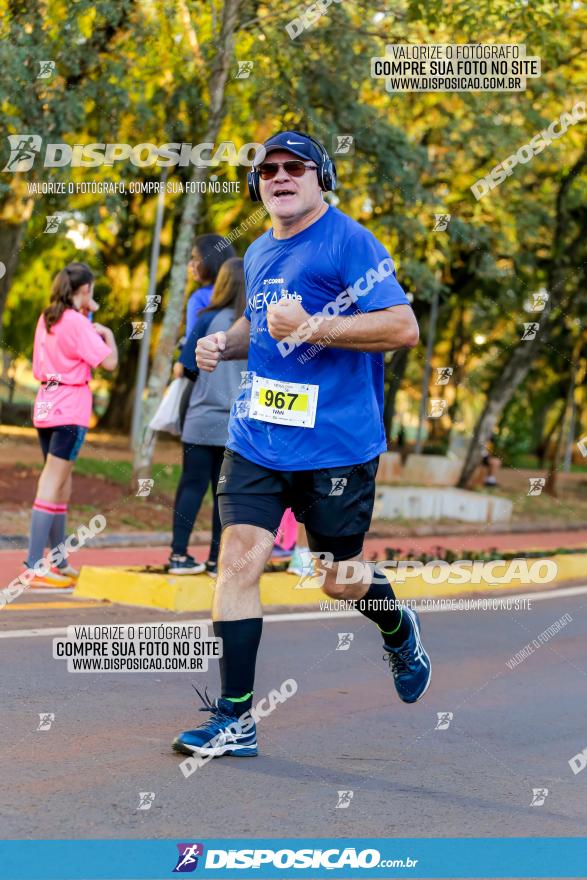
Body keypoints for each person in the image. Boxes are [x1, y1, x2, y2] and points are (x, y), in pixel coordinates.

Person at [173, 131, 430, 760]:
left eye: (295, 167)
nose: (279, 177)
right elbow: (258, 323)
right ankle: (235, 719)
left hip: (337, 447)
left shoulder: (350, 242)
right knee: (238, 559)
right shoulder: (258, 250)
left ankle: (398, 628)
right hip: (257, 437)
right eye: (267, 170)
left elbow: (403, 327)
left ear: (322, 177)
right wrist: (223, 345)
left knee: (339, 581)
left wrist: (314, 326)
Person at [24, 262, 118, 587]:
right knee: (53, 483)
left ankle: (59, 560)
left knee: (62, 485)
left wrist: (88, 312)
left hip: (47, 405)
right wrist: (108, 335)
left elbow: (40, 364)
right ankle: (36, 564)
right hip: (70, 408)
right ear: (85, 290)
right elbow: (109, 361)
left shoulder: (48, 318)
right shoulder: (78, 323)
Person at [168, 258, 247, 576]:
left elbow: (187, 368)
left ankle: (178, 555)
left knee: (190, 486)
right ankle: (218, 561)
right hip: (237, 425)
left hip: (200, 419)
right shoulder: (256, 325)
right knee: (224, 494)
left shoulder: (206, 318)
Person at [184, 234, 236, 340]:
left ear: (211, 259)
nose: (190, 264)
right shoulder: (244, 290)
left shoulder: (198, 298)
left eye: (195, 258)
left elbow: (193, 343)